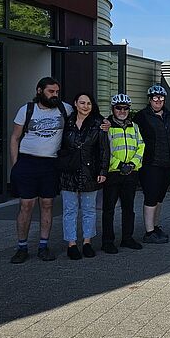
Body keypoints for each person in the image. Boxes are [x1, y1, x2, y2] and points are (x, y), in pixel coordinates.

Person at [8, 76, 74, 263]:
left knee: (47, 205)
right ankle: (22, 247)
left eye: (57, 92)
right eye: (51, 91)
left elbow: (85, 116)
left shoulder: (65, 108)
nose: (55, 95)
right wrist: (15, 165)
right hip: (27, 163)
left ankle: (43, 246)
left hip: (51, 164)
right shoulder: (27, 110)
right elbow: (14, 137)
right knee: (26, 205)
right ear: (39, 91)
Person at [59, 93, 109, 260]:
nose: (85, 106)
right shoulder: (67, 122)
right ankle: (71, 244)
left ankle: (87, 242)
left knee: (89, 210)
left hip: (90, 172)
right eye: (82, 102)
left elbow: (104, 150)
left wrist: (103, 171)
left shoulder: (99, 124)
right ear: (75, 104)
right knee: (69, 210)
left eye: (88, 103)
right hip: (69, 172)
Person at [134, 84, 170, 244]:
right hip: (150, 164)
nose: (158, 101)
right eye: (155, 98)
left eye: (161, 98)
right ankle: (149, 231)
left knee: (160, 198)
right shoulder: (141, 117)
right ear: (150, 99)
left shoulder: (169, 116)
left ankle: (155, 225)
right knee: (151, 197)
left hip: (167, 164)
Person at [101, 94, 144, 254]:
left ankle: (127, 238)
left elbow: (141, 146)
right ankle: (107, 241)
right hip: (113, 173)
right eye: (119, 108)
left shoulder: (135, 126)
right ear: (113, 109)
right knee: (109, 209)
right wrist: (119, 165)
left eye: (125, 108)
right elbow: (105, 150)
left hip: (130, 173)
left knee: (129, 208)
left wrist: (132, 164)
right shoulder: (106, 126)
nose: (122, 111)